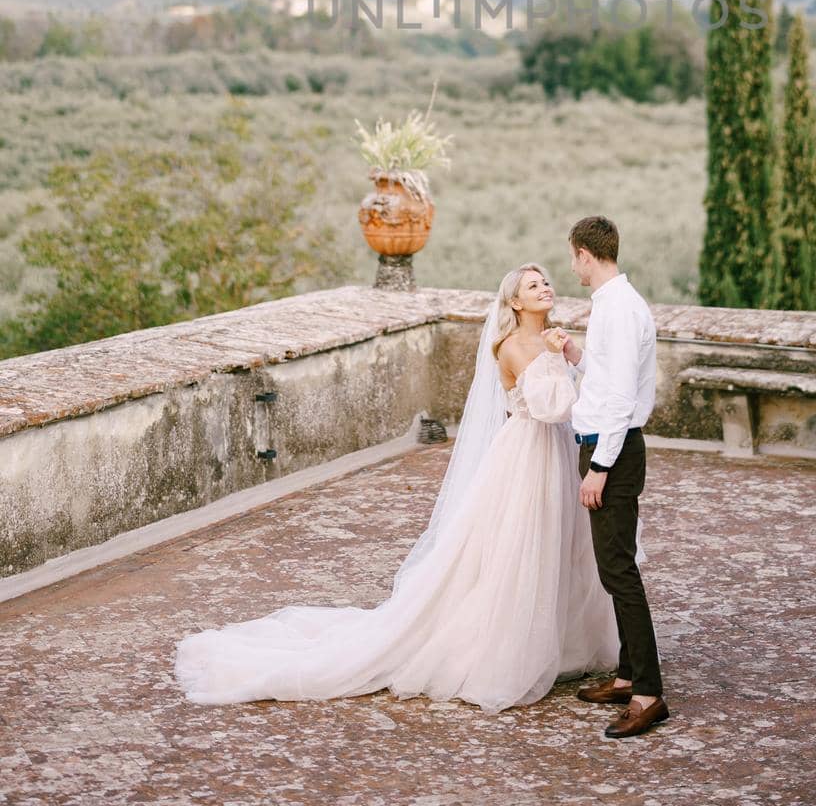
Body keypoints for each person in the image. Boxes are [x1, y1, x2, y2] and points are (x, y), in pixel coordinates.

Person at [172, 262, 622, 713]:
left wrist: (568, 355)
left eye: (545, 281)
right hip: (529, 454)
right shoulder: (512, 347)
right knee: (525, 545)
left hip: (559, 452)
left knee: (564, 542)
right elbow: (551, 408)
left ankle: (562, 643)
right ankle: (508, 648)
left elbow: (577, 398)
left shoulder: (552, 339)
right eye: (532, 285)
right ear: (515, 302)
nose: (545, 288)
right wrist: (561, 357)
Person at [564, 215, 669, 738]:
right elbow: (607, 380)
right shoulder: (608, 304)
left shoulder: (622, 308)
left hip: (616, 453)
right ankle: (628, 676)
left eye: (572, 256)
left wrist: (599, 469)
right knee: (614, 568)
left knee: (619, 572)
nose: (572, 266)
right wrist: (575, 356)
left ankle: (649, 693)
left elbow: (623, 398)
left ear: (585, 253)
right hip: (608, 446)